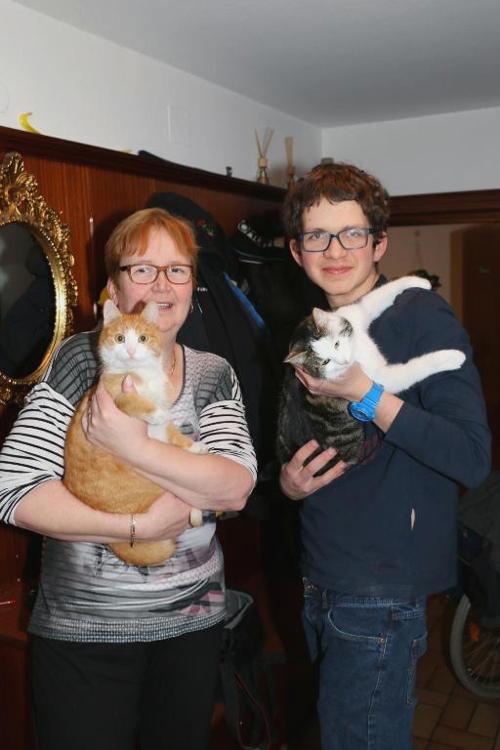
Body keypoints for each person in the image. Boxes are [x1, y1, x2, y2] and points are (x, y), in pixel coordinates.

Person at [0, 207, 257, 750]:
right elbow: (14, 490)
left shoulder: (213, 371)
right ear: (114, 289)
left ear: (193, 285)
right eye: (142, 268)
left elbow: (235, 487)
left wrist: (132, 446)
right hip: (86, 637)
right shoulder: (80, 361)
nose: (162, 284)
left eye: (177, 269)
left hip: (192, 626)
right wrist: (139, 526)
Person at [279, 162, 491, 749]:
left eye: (351, 233)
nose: (334, 250)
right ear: (296, 251)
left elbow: (471, 455)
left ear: (379, 244)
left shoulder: (421, 315)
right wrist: (289, 484)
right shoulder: (313, 328)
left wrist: (367, 394)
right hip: (320, 570)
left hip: (381, 589)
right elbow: (300, 442)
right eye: (317, 236)